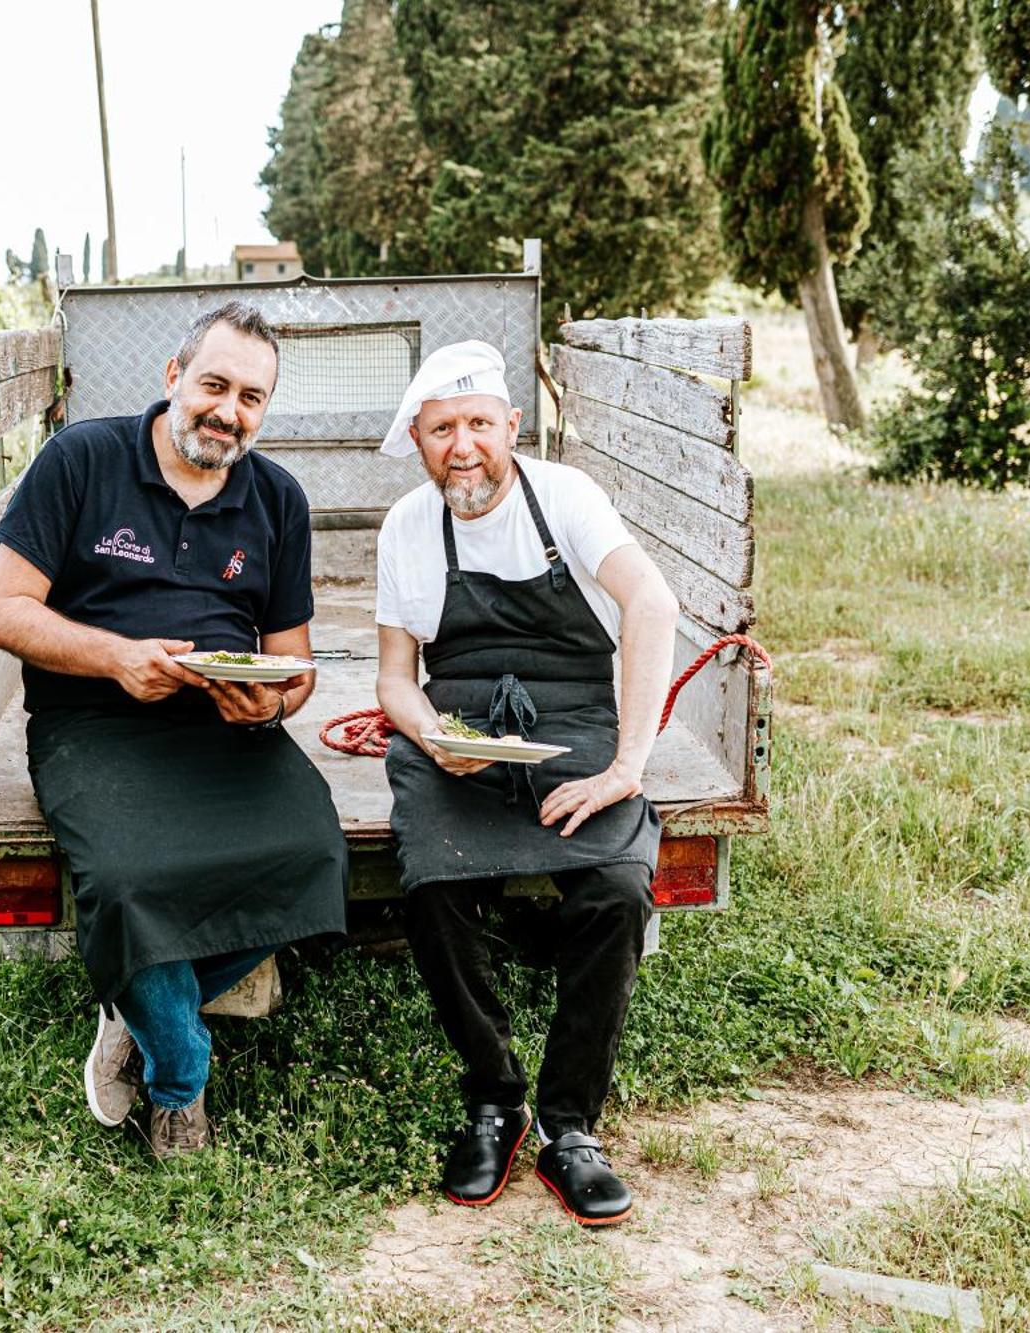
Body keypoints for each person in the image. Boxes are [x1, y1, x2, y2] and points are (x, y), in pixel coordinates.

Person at [0, 301, 347, 1160]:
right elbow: (3, 614)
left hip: (221, 723)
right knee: (128, 880)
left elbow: (293, 663)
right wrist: (114, 657)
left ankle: (134, 1001)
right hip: (94, 718)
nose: (229, 411)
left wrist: (275, 701)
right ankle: (179, 1074)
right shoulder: (82, 459)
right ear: (174, 377)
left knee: (316, 854)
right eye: (214, 384)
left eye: (252, 397)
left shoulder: (278, 499)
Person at [371, 340, 678, 1225]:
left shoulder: (568, 497)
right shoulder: (406, 528)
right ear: (420, 444)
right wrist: (432, 737)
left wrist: (627, 764)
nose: (462, 446)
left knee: (617, 892)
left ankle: (570, 1124)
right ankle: (494, 1098)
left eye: (477, 424)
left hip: (578, 719)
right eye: (440, 430)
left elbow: (650, 606)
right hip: (458, 724)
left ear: (512, 425)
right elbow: (396, 677)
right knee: (432, 887)